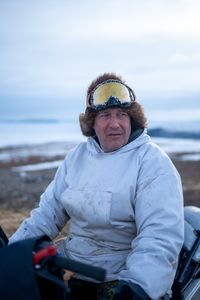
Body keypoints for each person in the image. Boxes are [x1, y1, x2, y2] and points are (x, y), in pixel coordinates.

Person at [9, 73, 184, 300]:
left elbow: (159, 236)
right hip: (71, 269)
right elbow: (47, 214)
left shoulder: (152, 162)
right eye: (105, 115)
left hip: (122, 279)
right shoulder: (77, 157)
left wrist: (137, 287)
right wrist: (11, 253)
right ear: (92, 122)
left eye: (122, 114)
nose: (115, 124)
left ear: (133, 119)